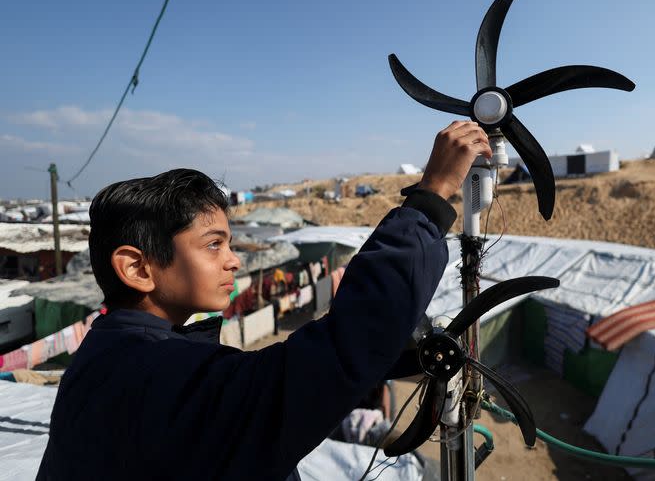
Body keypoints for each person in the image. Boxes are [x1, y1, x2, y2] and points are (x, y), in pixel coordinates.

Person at [36, 121, 491, 480]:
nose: (234, 261)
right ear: (137, 268)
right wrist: (432, 197)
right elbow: (330, 359)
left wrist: (389, 355)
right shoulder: (158, 374)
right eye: (214, 244)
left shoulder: (110, 356)